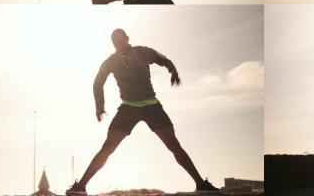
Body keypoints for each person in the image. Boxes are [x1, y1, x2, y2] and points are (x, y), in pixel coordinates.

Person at [66, 29, 219, 195]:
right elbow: (98, 83)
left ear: (127, 39)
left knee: (173, 144)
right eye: (114, 43)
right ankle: (81, 186)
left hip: (151, 106)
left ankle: (201, 184)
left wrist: (173, 70)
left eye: (120, 41)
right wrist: (99, 106)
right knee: (107, 147)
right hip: (128, 108)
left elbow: (164, 59)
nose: (118, 45)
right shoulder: (110, 62)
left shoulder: (142, 52)